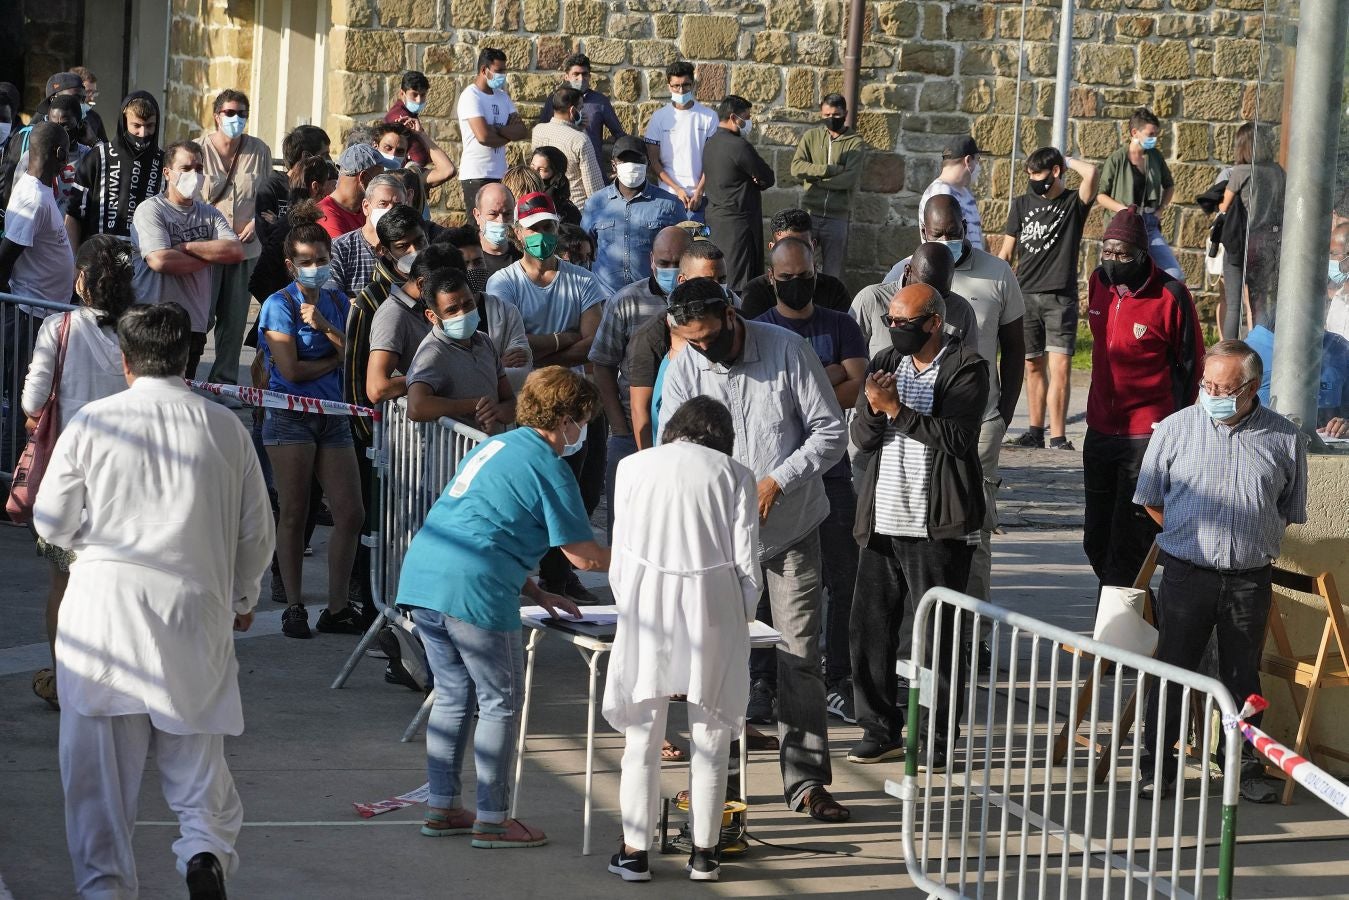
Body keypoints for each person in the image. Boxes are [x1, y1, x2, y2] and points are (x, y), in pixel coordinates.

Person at [35, 302, 273, 900]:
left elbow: (52, 519)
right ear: (188, 357)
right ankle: (204, 851)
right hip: (194, 610)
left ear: (125, 360)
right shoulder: (226, 428)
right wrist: (243, 595)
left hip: (104, 613)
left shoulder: (93, 422)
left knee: (98, 784)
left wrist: (88, 538)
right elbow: (256, 533)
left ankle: (106, 890)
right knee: (198, 767)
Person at [659, 277, 851, 823]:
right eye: (692, 341)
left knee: (799, 655)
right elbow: (673, 445)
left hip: (791, 529)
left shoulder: (788, 350)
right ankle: (721, 784)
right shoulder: (686, 365)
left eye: (708, 337)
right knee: (720, 659)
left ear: (730, 315)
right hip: (719, 539)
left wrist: (777, 481)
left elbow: (830, 431)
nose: (703, 349)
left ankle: (807, 781)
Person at [397, 366, 610, 850]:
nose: (582, 432)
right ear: (566, 420)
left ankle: (443, 807)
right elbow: (585, 557)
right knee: (500, 703)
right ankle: (493, 819)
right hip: (475, 591)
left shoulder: (495, 447)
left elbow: (483, 521)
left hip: (425, 579)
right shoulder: (550, 466)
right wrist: (650, 556)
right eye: (582, 421)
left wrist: (537, 592)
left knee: (452, 696)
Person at [1134, 340, 1306, 802]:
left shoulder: (1285, 438)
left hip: (1250, 578)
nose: (1211, 394)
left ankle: (1242, 768)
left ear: (1252, 387)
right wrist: (1188, 535)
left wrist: (1247, 538)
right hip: (1187, 573)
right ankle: (1158, 766)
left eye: (1223, 388)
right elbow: (1149, 498)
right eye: (1206, 384)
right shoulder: (1175, 429)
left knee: (1243, 677)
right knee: (1173, 671)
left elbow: (1288, 509)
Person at [603, 396, 761, 883]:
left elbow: (620, 554)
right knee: (712, 733)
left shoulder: (632, 466)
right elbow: (747, 563)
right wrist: (741, 620)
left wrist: (629, 606)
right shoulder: (735, 473)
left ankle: (634, 852)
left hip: (646, 601)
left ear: (673, 429)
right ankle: (706, 854)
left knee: (642, 735)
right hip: (713, 602)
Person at [847, 283, 989, 769]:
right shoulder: (886, 361)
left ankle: (935, 738)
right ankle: (878, 728)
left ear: (934, 323)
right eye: (890, 321)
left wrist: (897, 410)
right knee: (870, 630)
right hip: (882, 519)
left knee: (937, 639)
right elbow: (863, 438)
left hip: (937, 526)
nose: (894, 330)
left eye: (904, 323)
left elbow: (958, 438)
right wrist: (873, 408)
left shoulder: (966, 367)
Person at [751, 237, 868, 724]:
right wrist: (828, 375)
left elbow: (857, 387)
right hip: (770, 478)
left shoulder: (840, 324)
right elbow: (772, 399)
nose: (797, 283)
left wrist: (804, 388)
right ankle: (762, 681)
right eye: (787, 277)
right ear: (771, 278)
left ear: (816, 273)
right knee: (762, 586)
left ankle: (838, 677)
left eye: (805, 275)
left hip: (830, 474)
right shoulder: (760, 329)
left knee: (843, 579)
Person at [21, 235, 135, 711]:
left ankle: (66, 680)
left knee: (63, 585)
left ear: (82, 279)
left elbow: (32, 401)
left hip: (68, 486)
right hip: (128, 486)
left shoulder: (58, 327)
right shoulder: (140, 330)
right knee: (120, 588)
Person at [256, 203, 366, 640]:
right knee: (295, 512)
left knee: (350, 513)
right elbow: (292, 371)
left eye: (321, 259)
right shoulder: (278, 305)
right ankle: (294, 605)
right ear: (290, 265)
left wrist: (324, 329)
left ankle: (337, 608)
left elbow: (355, 355)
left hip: (334, 417)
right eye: (306, 261)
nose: (316, 267)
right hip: (290, 418)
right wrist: (337, 356)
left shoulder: (337, 301)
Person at [488, 191, 604, 603]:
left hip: (575, 404)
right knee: (526, 495)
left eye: (548, 227)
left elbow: (592, 344)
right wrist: (564, 338)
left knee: (578, 491)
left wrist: (539, 348)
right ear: (519, 234)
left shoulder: (583, 281)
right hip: (527, 404)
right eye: (533, 229)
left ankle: (560, 574)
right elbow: (509, 345)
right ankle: (520, 575)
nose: (542, 235)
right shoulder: (503, 282)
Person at [1083, 205, 1203, 592]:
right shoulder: (1097, 282)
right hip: (1100, 429)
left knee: (1129, 545)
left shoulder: (1171, 295)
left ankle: (1115, 626)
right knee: (1096, 541)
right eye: (1107, 251)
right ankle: (1143, 616)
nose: (1112, 261)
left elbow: (1192, 364)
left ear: (1141, 256)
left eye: (1122, 255)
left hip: (1145, 437)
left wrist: (1174, 427)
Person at [589, 225, 693, 533]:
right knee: (626, 527)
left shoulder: (712, 302)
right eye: (664, 263)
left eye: (678, 263)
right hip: (632, 431)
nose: (671, 270)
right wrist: (620, 428)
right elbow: (602, 365)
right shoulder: (626, 302)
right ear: (651, 261)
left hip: (690, 434)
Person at [1000, 148, 1098, 450]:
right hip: (1025, 295)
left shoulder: (1072, 204)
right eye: (1029, 174)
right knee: (1032, 366)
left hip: (1060, 298)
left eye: (1038, 173)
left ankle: (1058, 437)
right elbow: (1006, 252)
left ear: (1055, 172)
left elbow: (1092, 173)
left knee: (1061, 368)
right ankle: (1034, 432)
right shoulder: (1021, 204)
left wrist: (1066, 160)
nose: (1033, 179)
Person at [129, 140, 243, 378]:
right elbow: (161, 261)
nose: (194, 175)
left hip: (193, 327)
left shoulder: (210, 214)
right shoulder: (151, 210)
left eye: (199, 169)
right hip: (153, 323)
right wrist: (211, 255)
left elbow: (235, 251)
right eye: (186, 168)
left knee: (183, 394)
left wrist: (186, 247)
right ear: (167, 173)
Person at [199, 89, 273, 387]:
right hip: (208, 248)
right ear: (217, 116)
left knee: (234, 320)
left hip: (246, 249)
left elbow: (269, 198)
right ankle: (186, 375)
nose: (236, 118)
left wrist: (257, 222)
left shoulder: (260, 150)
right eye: (230, 112)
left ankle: (224, 383)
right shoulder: (198, 149)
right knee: (201, 317)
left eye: (242, 113)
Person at [625, 241, 728, 450]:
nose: (717, 287)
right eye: (707, 280)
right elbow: (641, 409)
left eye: (722, 279)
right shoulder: (652, 335)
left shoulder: (739, 321)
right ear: (683, 281)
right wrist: (651, 460)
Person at [405, 267, 516, 433]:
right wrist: (473, 405)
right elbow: (416, 408)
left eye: (468, 304)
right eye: (452, 310)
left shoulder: (484, 341)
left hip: (492, 445)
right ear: (432, 316)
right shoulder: (432, 352)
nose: (462, 313)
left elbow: (510, 402)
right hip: (456, 448)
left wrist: (495, 411)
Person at [581, 134, 683, 298]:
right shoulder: (595, 203)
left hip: (652, 297)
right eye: (624, 161)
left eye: (637, 160)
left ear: (647, 164)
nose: (631, 165)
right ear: (614, 165)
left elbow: (685, 251)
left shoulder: (669, 205)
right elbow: (583, 249)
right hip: (605, 298)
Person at [66, 92, 165, 249]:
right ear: (124, 123)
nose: (143, 133)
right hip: (99, 256)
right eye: (136, 126)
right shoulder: (97, 158)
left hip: (145, 258)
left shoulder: (164, 163)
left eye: (149, 126)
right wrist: (73, 259)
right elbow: (74, 214)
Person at [365, 242, 457, 405]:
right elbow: (377, 389)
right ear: (421, 284)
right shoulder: (393, 315)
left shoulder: (426, 307)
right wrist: (434, 378)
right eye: (446, 289)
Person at [1216, 123, 1285, 339]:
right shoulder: (1278, 172)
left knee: (1234, 304)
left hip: (1241, 243)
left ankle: (1229, 350)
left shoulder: (1240, 172)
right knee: (1259, 301)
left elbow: (1223, 207)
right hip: (1267, 244)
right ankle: (1260, 347)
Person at [1097, 107, 1182, 280]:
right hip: (1122, 226)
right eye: (1150, 134)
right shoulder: (1117, 159)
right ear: (1135, 132)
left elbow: (1169, 186)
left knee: (1175, 274)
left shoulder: (1155, 156)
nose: (1154, 138)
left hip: (1149, 223)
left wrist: (1160, 210)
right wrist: (1123, 210)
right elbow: (1100, 195)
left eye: (1156, 134)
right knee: (1117, 276)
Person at [852, 243, 977, 360]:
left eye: (942, 295)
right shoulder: (872, 299)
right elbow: (848, 357)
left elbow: (969, 365)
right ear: (907, 272)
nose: (933, 299)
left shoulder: (962, 310)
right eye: (892, 320)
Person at [701, 95, 774, 292]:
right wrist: (756, 180)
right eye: (747, 117)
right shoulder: (739, 146)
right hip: (740, 228)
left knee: (720, 280)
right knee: (741, 286)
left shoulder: (710, 144)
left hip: (716, 223)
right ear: (734, 117)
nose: (749, 122)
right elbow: (767, 177)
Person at [0, 122, 75, 310]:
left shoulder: (36, 187)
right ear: (60, 153)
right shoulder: (35, 199)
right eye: (67, 152)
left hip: (42, 311)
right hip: (31, 312)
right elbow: (4, 258)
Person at [790, 94, 864, 279]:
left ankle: (829, 299)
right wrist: (829, 170)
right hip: (809, 214)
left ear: (845, 113)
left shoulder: (855, 142)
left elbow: (849, 179)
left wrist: (816, 180)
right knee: (800, 266)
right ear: (821, 114)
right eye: (827, 114)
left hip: (837, 218)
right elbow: (796, 168)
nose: (831, 118)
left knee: (833, 273)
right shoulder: (811, 137)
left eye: (836, 114)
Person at [739, 209, 852, 318]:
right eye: (786, 246)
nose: (794, 253)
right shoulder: (756, 293)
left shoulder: (834, 291)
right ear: (772, 248)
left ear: (812, 246)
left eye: (802, 246)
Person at [457, 47, 529, 213]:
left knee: (502, 219)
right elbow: (484, 137)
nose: (502, 75)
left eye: (504, 70)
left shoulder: (503, 97)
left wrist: (497, 129)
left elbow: (521, 131)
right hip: (477, 175)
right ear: (484, 70)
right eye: (499, 71)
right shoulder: (471, 96)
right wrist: (508, 133)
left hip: (500, 173)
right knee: (480, 223)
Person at [644, 61, 718, 219]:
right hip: (667, 196)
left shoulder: (709, 117)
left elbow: (714, 161)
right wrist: (677, 189)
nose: (681, 90)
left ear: (693, 84)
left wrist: (699, 192)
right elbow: (653, 161)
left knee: (700, 236)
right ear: (669, 86)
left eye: (686, 85)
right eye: (676, 86)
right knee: (669, 236)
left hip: (700, 200)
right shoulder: (659, 117)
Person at [328, 172, 407, 296]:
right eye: (383, 204)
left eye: (398, 205)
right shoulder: (340, 247)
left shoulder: (410, 248)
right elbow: (332, 298)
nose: (391, 211)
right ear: (365, 207)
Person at [537, 53, 625, 162]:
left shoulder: (600, 102)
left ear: (589, 76)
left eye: (584, 74)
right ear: (567, 77)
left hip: (591, 163)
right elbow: (543, 131)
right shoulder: (554, 99)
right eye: (576, 74)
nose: (581, 78)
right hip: (561, 165)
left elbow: (619, 134)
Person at [532, 86, 604, 206]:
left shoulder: (538, 130)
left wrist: (578, 128)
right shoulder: (580, 140)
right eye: (580, 108)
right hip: (575, 207)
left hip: (545, 204)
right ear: (572, 111)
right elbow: (594, 187)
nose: (582, 112)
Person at [920, 135, 987, 251]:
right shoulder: (941, 193)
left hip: (972, 262)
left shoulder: (966, 194)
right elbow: (944, 244)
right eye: (977, 160)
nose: (978, 166)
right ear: (968, 160)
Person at [317, 143, 385, 240]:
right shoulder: (326, 216)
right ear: (363, 178)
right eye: (379, 178)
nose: (383, 184)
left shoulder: (363, 208)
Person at [473, 181, 522, 278]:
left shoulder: (523, 258)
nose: (501, 221)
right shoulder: (465, 257)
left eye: (507, 214)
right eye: (493, 214)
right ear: (477, 215)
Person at [386, 70, 432, 167]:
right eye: (414, 95)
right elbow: (420, 158)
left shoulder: (409, 114)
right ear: (402, 94)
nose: (419, 100)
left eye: (422, 95)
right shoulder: (401, 117)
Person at [529, 145, 582, 225]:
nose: (534, 173)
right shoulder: (519, 197)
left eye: (542, 170)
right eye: (532, 167)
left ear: (557, 175)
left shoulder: (566, 212)